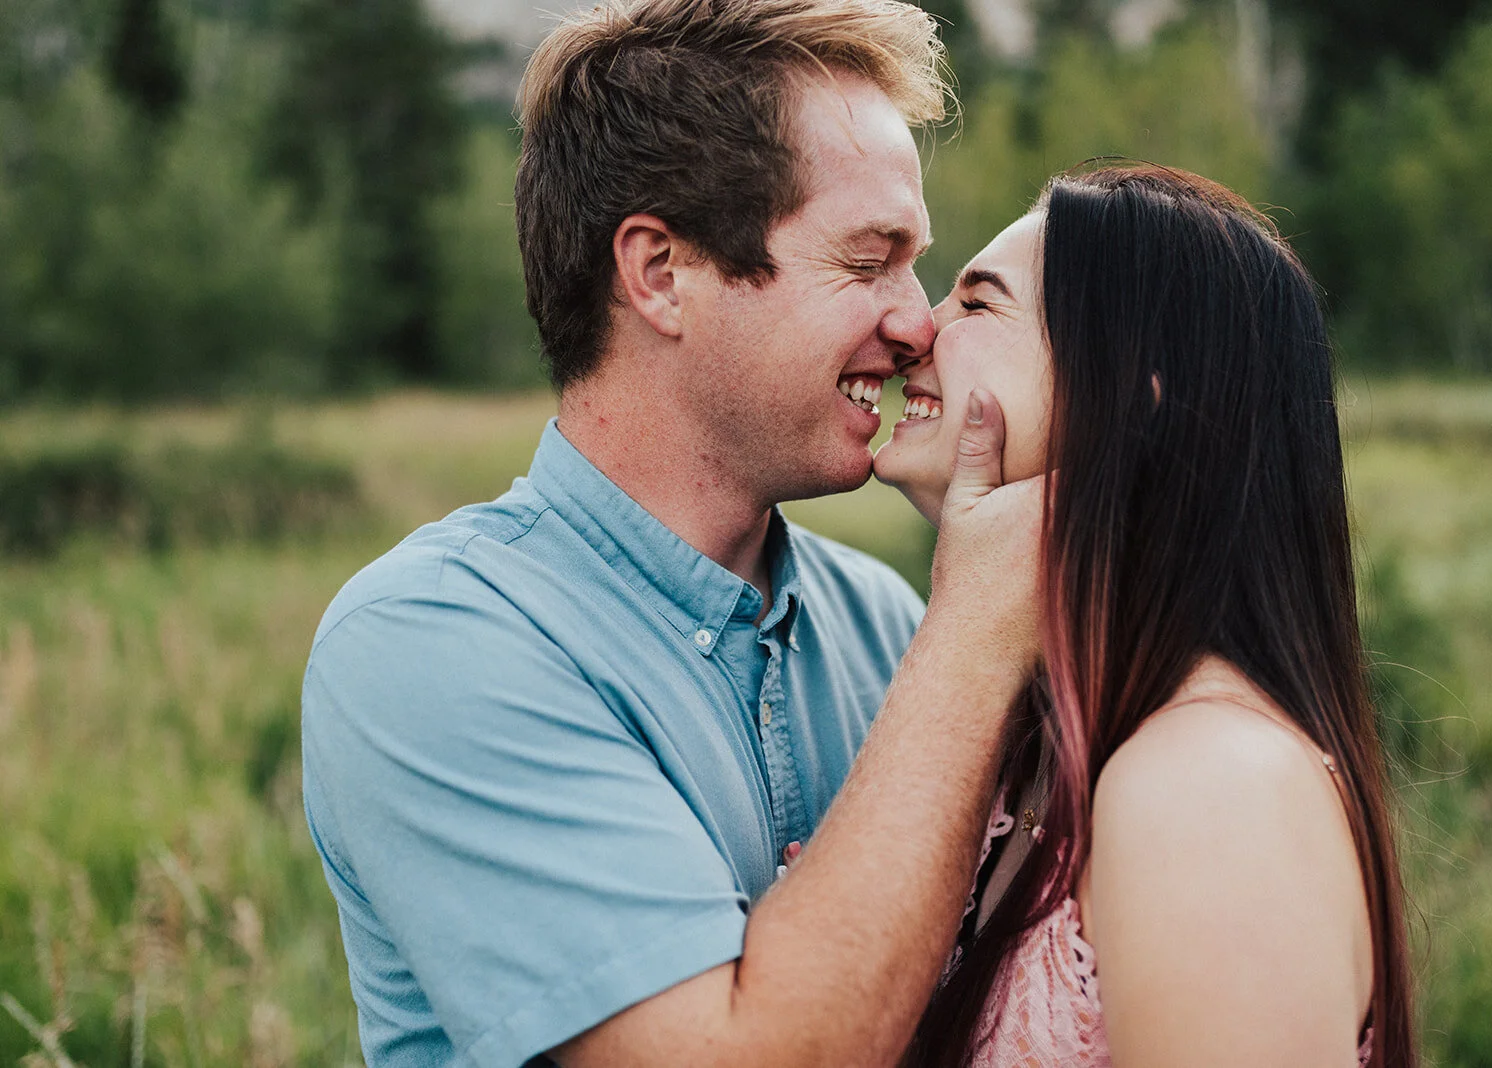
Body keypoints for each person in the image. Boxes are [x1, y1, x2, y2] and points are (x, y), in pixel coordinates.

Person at [299, 2, 1041, 1066]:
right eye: (869, 259)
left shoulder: (883, 622)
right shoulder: (431, 642)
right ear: (660, 274)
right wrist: (977, 635)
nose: (917, 320)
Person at [874, 164, 1416, 1067]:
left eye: (977, 304)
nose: (914, 331)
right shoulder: (1044, 746)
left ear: (1122, 410)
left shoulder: (1211, 789)